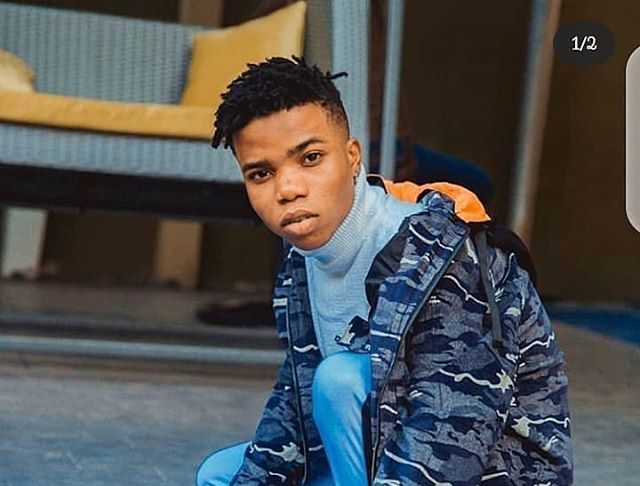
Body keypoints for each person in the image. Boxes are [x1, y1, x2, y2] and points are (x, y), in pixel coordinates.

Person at [196, 57, 572, 486]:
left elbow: (452, 426)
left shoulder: (438, 256)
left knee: (340, 381)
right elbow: (295, 399)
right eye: (261, 173)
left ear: (352, 157)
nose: (288, 189)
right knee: (221, 477)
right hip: (378, 453)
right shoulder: (301, 261)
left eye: (311, 158)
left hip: (486, 470)